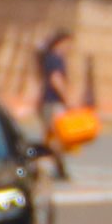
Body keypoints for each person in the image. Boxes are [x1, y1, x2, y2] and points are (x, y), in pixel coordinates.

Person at [35, 29, 73, 180]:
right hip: (53, 102)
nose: (71, 48)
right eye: (69, 44)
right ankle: (59, 168)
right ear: (62, 43)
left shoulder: (47, 58)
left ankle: (56, 167)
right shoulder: (57, 59)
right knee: (59, 137)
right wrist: (68, 100)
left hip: (45, 103)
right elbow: (56, 80)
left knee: (50, 138)